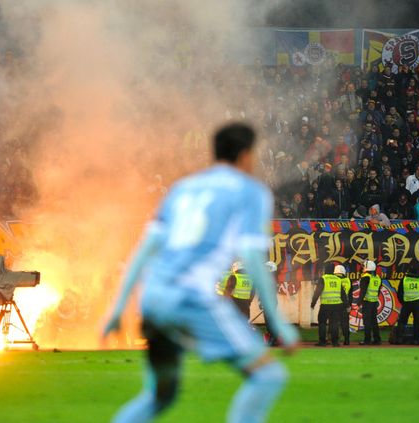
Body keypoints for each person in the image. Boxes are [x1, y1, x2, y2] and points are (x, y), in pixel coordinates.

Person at [102, 123, 299, 423]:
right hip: (189, 297)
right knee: (268, 375)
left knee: (159, 395)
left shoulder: (183, 188)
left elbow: (144, 250)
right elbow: (252, 256)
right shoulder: (251, 192)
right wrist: (278, 322)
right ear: (246, 155)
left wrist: (118, 309)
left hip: (153, 297)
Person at [310, 263, 348, 347]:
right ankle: (335, 342)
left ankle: (322, 342)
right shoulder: (338, 279)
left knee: (322, 323)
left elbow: (317, 292)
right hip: (337, 305)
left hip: (326, 305)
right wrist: (346, 304)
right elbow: (343, 294)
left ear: (325, 270)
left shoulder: (323, 279)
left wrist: (313, 303)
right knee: (334, 323)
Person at [395, 264, 419, 345]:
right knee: (417, 323)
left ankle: (399, 339)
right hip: (418, 304)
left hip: (407, 304)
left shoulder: (404, 280)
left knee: (402, 321)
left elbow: (399, 293)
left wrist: (403, 302)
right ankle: (416, 340)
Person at [358, 260, 382, 345]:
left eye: (364, 266)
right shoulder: (377, 278)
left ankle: (367, 340)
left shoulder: (365, 277)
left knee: (367, 322)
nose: (362, 268)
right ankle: (377, 339)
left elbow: (363, 291)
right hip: (374, 302)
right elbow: (378, 291)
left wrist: (358, 303)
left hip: (367, 302)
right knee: (374, 321)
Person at [334, 264, 353, 346]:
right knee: (345, 323)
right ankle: (347, 340)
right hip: (346, 305)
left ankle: (335, 340)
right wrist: (349, 305)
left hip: (335, 303)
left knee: (334, 323)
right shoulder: (348, 280)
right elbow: (350, 295)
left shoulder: (334, 280)